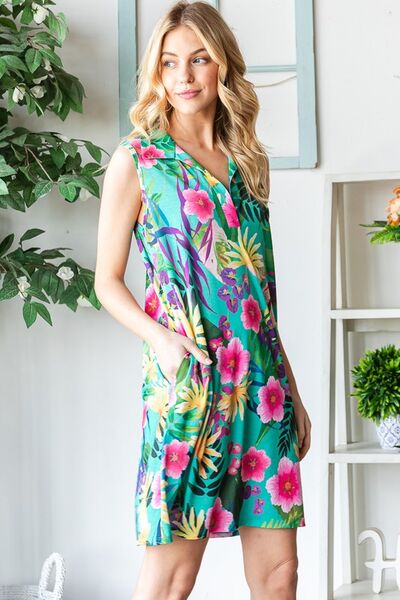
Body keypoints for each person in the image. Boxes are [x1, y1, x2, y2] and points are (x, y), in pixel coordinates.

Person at [94, 1, 312, 598]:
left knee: (280, 572)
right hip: (189, 386)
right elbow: (106, 280)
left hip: (262, 387)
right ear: (156, 72)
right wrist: (162, 341)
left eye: (198, 59)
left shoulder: (248, 163)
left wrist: (291, 391)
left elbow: (260, 300)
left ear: (222, 66)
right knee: (172, 577)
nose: (184, 76)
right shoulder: (138, 160)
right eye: (169, 63)